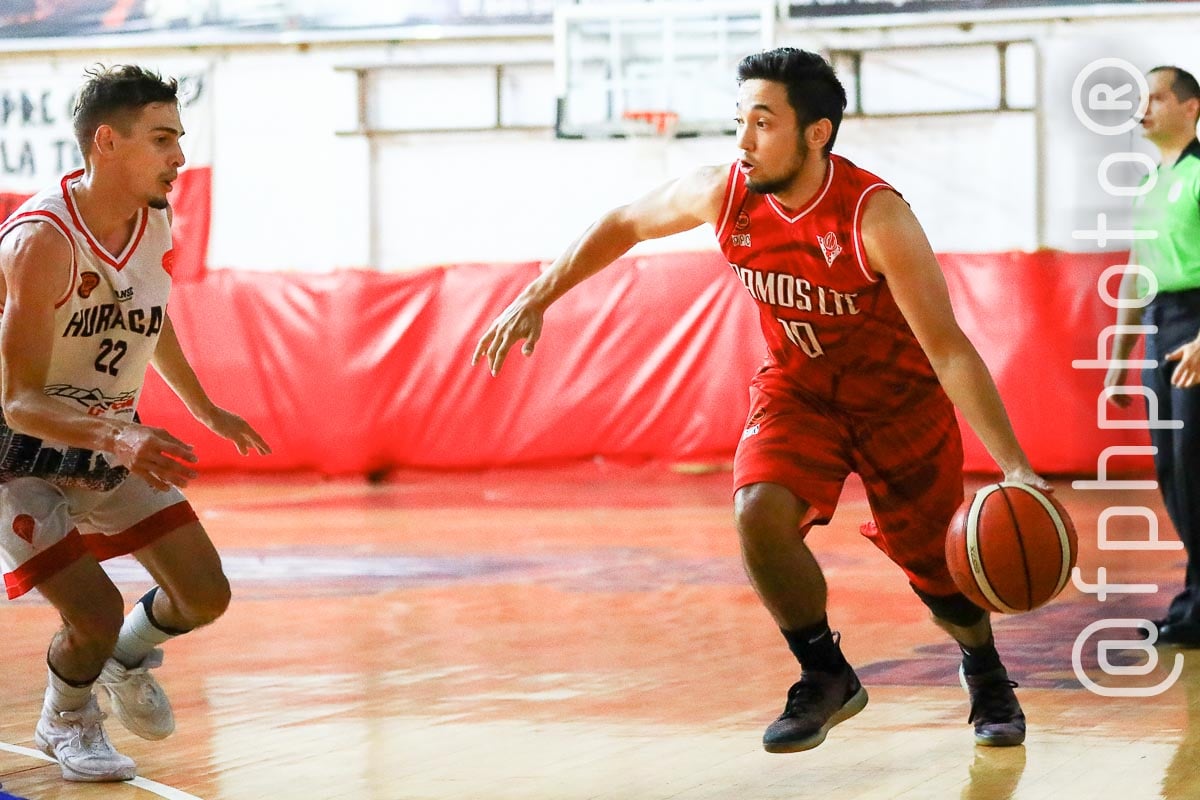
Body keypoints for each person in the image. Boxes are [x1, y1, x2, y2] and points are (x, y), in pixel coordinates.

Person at [474, 47, 1049, 752]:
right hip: (799, 389)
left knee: (938, 573)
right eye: (739, 121)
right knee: (756, 512)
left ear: (816, 133)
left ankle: (984, 668)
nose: (743, 140)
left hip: (899, 404)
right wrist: (537, 295)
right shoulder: (724, 193)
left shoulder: (876, 217)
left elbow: (949, 349)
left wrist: (1015, 465)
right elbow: (624, 221)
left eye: (764, 123)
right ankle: (825, 672)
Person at [0, 65, 270, 782]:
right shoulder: (41, 241)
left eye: (178, 137)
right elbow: (17, 400)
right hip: (18, 453)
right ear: (107, 142)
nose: (179, 155)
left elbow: (149, 314)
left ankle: (124, 657)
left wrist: (204, 407)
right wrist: (121, 435)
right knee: (91, 610)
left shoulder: (153, 219)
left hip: (105, 436)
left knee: (205, 593)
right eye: (162, 139)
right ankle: (66, 720)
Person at [1105, 65, 1200, 647]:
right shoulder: (1148, 183)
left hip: (1196, 327)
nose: (1143, 108)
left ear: (1191, 108)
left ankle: (1196, 608)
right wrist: (1119, 359)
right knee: (1172, 471)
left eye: (1156, 98)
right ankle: (1194, 603)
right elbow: (1138, 276)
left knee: (1194, 467)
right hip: (1160, 329)